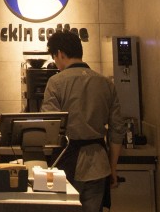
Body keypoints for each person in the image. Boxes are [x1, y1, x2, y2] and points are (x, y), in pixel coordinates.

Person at [42, 31, 126, 212]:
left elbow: (50, 127)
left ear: (60, 54)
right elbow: (118, 129)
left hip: (66, 164)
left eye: (54, 58)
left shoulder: (55, 82)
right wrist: (112, 168)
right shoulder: (106, 83)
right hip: (99, 166)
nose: (56, 64)